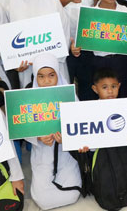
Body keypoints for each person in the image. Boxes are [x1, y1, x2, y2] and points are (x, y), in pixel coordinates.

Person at [26, 54, 82, 210]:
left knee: (72, 194)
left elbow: (80, 124)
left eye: (51, 75)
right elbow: (22, 129)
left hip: (66, 156)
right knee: (43, 200)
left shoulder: (69, 96)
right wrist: (38, 137)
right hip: (42, 156)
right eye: (41, 77)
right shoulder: (28, 98)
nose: (46, 81)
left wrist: (67, 136)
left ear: (58, 74)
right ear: (35, 77)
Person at [7, 0, 72, 87]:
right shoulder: (10, 8)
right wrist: (16, 64)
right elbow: (8, 44)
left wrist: (48, 62)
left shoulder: (54, 4)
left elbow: (64, 35)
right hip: (27, 70)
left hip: (54, 68)